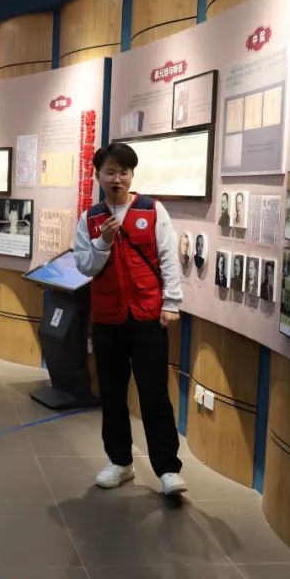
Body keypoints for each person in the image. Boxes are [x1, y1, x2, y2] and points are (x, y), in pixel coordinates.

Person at [73, 142, 186, 497]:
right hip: (107, 320)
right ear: (98, 176)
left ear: (132, 175)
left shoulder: (152, 210)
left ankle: (167, 469)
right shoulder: (90, 219)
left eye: (124, 172)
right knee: (111, 393)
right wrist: (103, 243)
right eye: (110, 172)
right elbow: (84, 266)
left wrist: (171, 303)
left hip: (147, 316)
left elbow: (168, 258)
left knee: (155, 394)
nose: (117, 179)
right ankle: (120, 462)